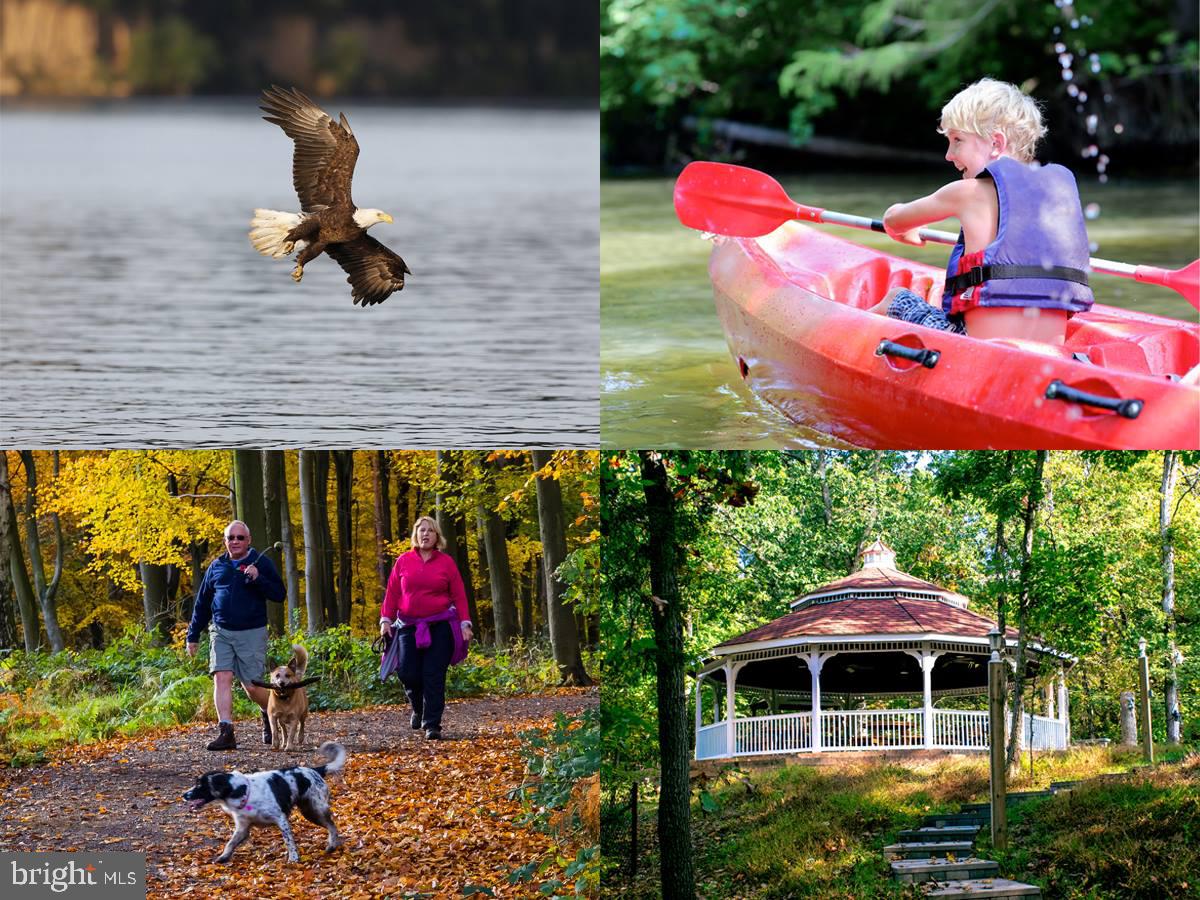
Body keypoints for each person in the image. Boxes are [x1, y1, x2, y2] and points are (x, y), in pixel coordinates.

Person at [868, 78, 1094, 344]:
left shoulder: (967, 192)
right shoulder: (1055, 194)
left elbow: (893, 220)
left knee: (898, 298)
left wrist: (904, 229)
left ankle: (849, 340)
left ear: (996, 144)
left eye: (957, 140)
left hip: (976, 348)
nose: (949, 155)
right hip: (1047, 352)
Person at [186, 520, 285, 751]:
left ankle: (268, 712)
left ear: (248, 540)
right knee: (221, 677)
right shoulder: (216, 566)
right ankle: (226, 732)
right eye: (231, 538)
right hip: (220, 631)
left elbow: (279, 594)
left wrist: (259, 577)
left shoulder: (261, 562)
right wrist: (193, 635)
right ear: (225, 541)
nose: (235, 541)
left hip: (251, 632)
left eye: (240, 537)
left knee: (251, 686)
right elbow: (202, 603)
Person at [379, 516, 473, 740]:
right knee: (408, 673)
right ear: (415, 535)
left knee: (433, 674)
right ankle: (418, 709)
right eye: (422, 530)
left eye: (430, 531)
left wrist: (465, 623)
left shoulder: (446, 562)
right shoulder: (403, 561)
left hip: (440, 626)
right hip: (408, 625)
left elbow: (459, 595)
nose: (426, 534)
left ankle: (432, 724)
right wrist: (385, 620)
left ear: (437, 536)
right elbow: (392, 594)